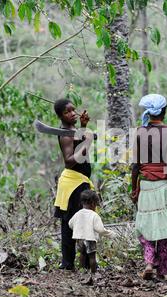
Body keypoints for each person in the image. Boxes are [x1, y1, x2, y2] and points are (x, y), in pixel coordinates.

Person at [131, 93, 167, 281]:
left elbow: (135, 166)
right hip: (163, 186)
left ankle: (149, 262)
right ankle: (164, 271)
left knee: (146, 227)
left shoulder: (139, 132)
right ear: (164, 111)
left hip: (145, 186)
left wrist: (133, 189)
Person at [53, 98, 94, 271]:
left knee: (85, 221)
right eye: (67, 111)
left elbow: (79, 147)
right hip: (73, 183)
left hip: (80, 181)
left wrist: (83, 128)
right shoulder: (64, 134)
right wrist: (87, 142)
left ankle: (85, 263)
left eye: (73, 110)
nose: (72, 113)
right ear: (61, 115)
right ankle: (68, 264)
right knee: (69, 224)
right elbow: (70, 161)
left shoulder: (73, 130)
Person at [68, 190, 116, 283]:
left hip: (79, 238)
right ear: (93, 203)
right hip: (90, 238)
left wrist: (78, 229)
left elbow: (70, 223)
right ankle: (93, 273)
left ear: (82, 202)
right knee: (92, 256)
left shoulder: (78, 213)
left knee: (82, 254)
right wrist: (110, 234)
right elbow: (100, 229)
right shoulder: (94, 215)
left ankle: (82, 272)